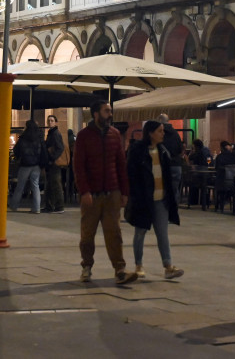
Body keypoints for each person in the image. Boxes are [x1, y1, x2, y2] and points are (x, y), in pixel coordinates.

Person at [74, 101, 137, 285]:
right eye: (106, 111)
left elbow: (121, 165)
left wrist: (124, 191)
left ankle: (120, 270)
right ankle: (86, 266)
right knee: (87, 234)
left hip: (112, 192)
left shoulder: (115, 135)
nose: (110, 114)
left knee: (114, 233)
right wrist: (84, 191)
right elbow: (79, 166)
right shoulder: (84, 136)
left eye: (110, 111)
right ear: (96, 114)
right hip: (91, 194)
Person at [127, 120, 184, 281]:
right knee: (140, 232)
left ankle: (168, 266)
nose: (163, 134)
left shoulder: (163, 151)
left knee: (162, 233)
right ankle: (138, 265)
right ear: (150, 133)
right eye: (160, 131)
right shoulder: (138, 150)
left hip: (161, 198)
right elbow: (132, 174)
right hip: (144, 199)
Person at [9, 120, 47, 214]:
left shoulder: (23, 137)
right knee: (35, 186)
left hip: (25, 164)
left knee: (20, 186)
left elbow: (16, 149)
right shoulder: (39, 137)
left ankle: (14, 206)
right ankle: (36, 208)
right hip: (36, 165)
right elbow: (43, 151)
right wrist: (43, 164)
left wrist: (19, 158)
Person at [158, 114, 184, 204]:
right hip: (176, 165)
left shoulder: (159, 134)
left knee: (162, 190)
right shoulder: (176, 134)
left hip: (164, 165)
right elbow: (180, 149)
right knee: (174, 189)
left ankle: (164, 211)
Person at [43, 115, 66, 213]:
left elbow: (60, 147)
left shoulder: (55, 133)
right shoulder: (51, 133)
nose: (50, 122)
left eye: (52, 120)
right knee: (50, 185)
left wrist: (52, 158)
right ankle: (49, 206)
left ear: (56, 122)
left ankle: (59, 206)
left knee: (55, 185)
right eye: (49, 121)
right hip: (51, 163)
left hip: (54, 163)